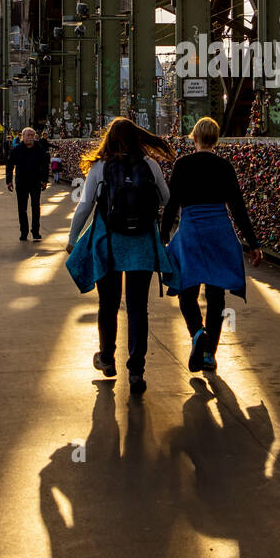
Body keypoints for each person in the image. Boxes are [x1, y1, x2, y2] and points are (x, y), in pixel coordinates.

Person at [65, 117, 174, 396]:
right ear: (138, 137)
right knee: (138, 308)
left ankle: (107, 357)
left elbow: (85, 206)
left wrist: (72, 238)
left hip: (109, 245)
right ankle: (136, 370)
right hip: (141, 247)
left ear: (109, 139)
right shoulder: (150, 166)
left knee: (108, 304)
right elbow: (165, 199)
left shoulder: (100, 167)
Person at [161, 116, 262, 373]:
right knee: (216, 295)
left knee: (186, 290)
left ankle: (197, 333)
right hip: (219, 230)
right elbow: (238, 208)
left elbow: (172, 205)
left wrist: (162, 237)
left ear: (194, 138)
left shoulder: (183, 165)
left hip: (192, 230)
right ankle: (209, 355)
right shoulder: (224, 166)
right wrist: (252, 243)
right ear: (216, 140)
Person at [6, 127, 50, 240]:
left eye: (32, 135)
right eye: (28, 135)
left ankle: (35, 232)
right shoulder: (17, 149)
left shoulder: (39, 149)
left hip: (36, 182)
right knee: (22, 208)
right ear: (23, 136)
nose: (30, 137)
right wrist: (9, 180)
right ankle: (24, 232)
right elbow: (10, 165)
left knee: (36, 207)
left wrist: (45, 180)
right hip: (21, 182)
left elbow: (45, 165)